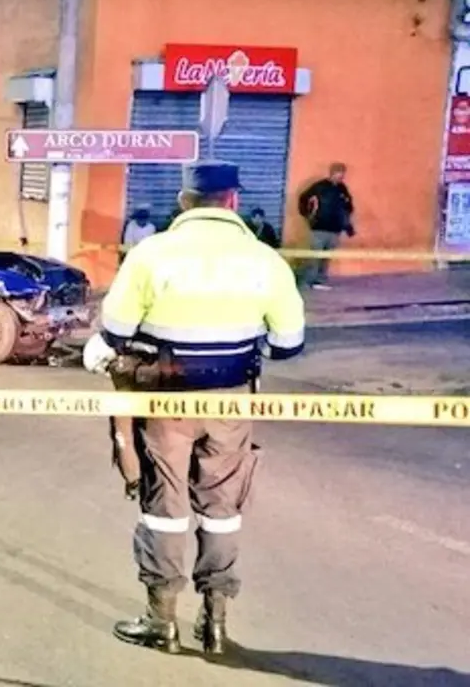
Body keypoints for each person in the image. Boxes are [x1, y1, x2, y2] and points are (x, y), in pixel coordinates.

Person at [83, 160, 305, 655]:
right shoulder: (265, 259)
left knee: (165, 507)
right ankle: (216, 620)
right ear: (233, 202)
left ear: (184, 202)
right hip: (231, 400)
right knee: (222, 509)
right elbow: (289, 343)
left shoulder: (151, 255)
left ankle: (161, 620)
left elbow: (115, 330)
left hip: (165, 399)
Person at [297, 162, 355, 290]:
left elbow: (348, 206)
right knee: (314, 256)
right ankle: (307, 281)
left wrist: (346, 224)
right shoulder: (319, 187)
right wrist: (308, 216)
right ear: (332, 173)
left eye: (342, 176)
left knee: (326, 258)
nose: (340, 178)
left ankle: (320, 281)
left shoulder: (342, 189)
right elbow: (304, 198)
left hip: (334, 230)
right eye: (338, 175)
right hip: (319, 228)